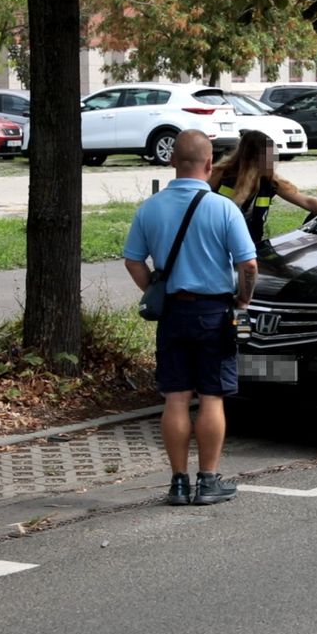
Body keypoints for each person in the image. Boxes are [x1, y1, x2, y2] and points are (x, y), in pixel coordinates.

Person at [123, 129, 258, 506]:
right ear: (210, 163)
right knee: (212, 397)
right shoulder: (223, 208)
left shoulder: (150, 208)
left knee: (176, 398)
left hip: (173, 314)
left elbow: (133, 259)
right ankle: (209, 480)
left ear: (171, 161)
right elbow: (248, 264)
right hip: (214, 312)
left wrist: (153, 287)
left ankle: (178, 482)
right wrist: (243, 301)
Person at [209, 130, 317, 245]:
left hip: (253, 247)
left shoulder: (271, 182)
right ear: (252, 159)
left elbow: (306, 201)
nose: (273, 164)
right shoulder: (219, 175)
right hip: (217, 245)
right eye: (269, 159)